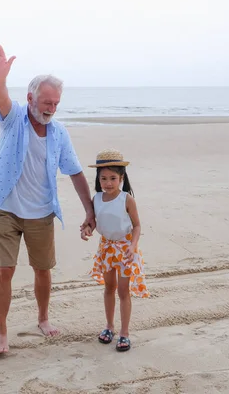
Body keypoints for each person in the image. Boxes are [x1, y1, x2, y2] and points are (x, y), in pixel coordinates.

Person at [0, 41, 95, 355]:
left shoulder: (58, 133)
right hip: (7, 209)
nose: (51, 108)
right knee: (4, 270)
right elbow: (1, 98)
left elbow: (74, 172)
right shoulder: (14, 118)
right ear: (30, 98)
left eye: (56, 103)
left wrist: (90, 210)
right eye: (46, 102)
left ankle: (43, 319)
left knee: (43, 270)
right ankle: (1, 331)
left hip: (42, 213)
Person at [80, 149, 149, 352]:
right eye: (103, 178)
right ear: (98, 179)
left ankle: (124, 333)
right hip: (107, 248)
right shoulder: (97, 199)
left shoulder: (127, 199)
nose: (108, 183)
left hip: (125, 248)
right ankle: (109, 326)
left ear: (121, 178)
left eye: (113, 178)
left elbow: (137, 225)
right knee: (109, 288)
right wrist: (87, 229)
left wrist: (132, 245)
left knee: (123, 291)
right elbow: (94, 222)